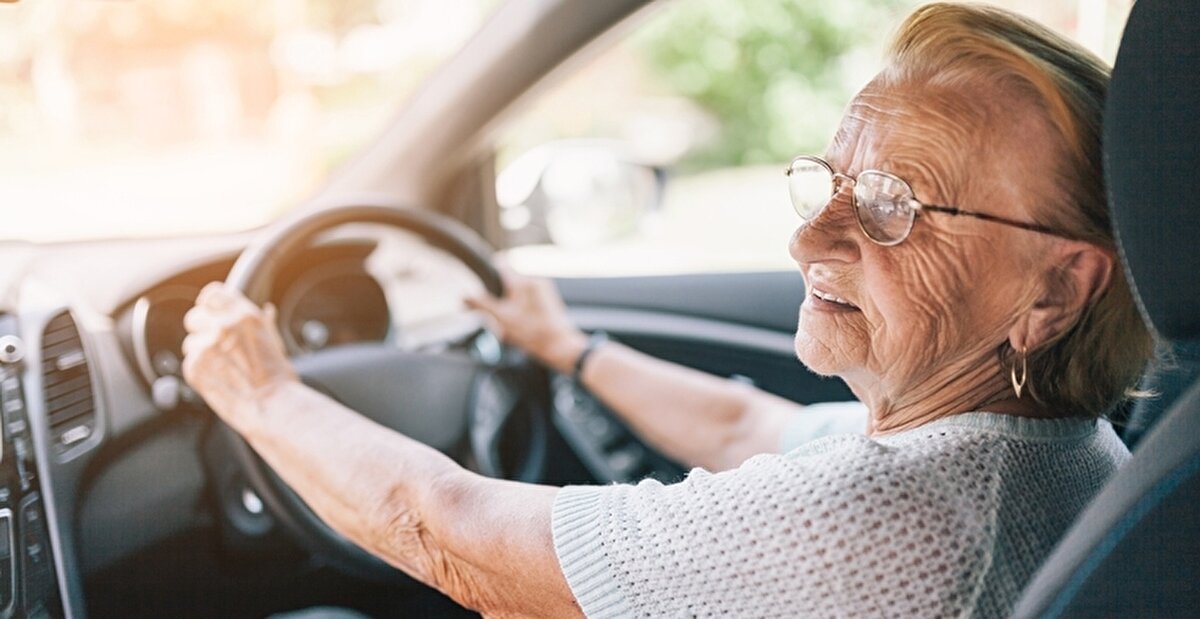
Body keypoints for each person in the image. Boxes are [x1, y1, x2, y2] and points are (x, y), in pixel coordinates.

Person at [181, 3, 1154, 617]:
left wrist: (259, 391)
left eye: (897, 206)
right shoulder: (1044, 453)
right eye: (830, 182)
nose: (810, 239)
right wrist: (570, 348)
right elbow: (747, 424)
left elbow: (452, 532)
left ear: (1056, 290)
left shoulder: (898, 520)